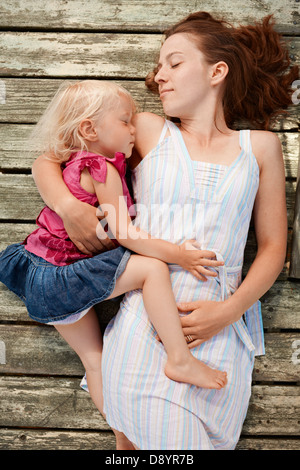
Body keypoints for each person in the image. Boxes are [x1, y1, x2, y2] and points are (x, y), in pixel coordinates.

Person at [30, 12, 298, 450]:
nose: (160, 76)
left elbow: (271, 249)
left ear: (217, 72)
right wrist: (66, 205)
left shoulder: (260, 147)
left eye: (174, 63)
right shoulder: (150, 131)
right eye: (159, 66)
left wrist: (227, 312)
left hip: (223, 338)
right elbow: (50, 157)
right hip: (146, 327)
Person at [0, 78, 229, 445]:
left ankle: (124, 438)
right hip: (65, 277)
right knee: (152, 269)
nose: (133, 129)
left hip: (41, 280)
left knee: (95, 361)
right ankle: (179, 357)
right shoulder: (101, 167)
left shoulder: (73, 163)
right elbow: (124, 233)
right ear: (90, 129)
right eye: (125, 120)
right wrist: (178, 255)